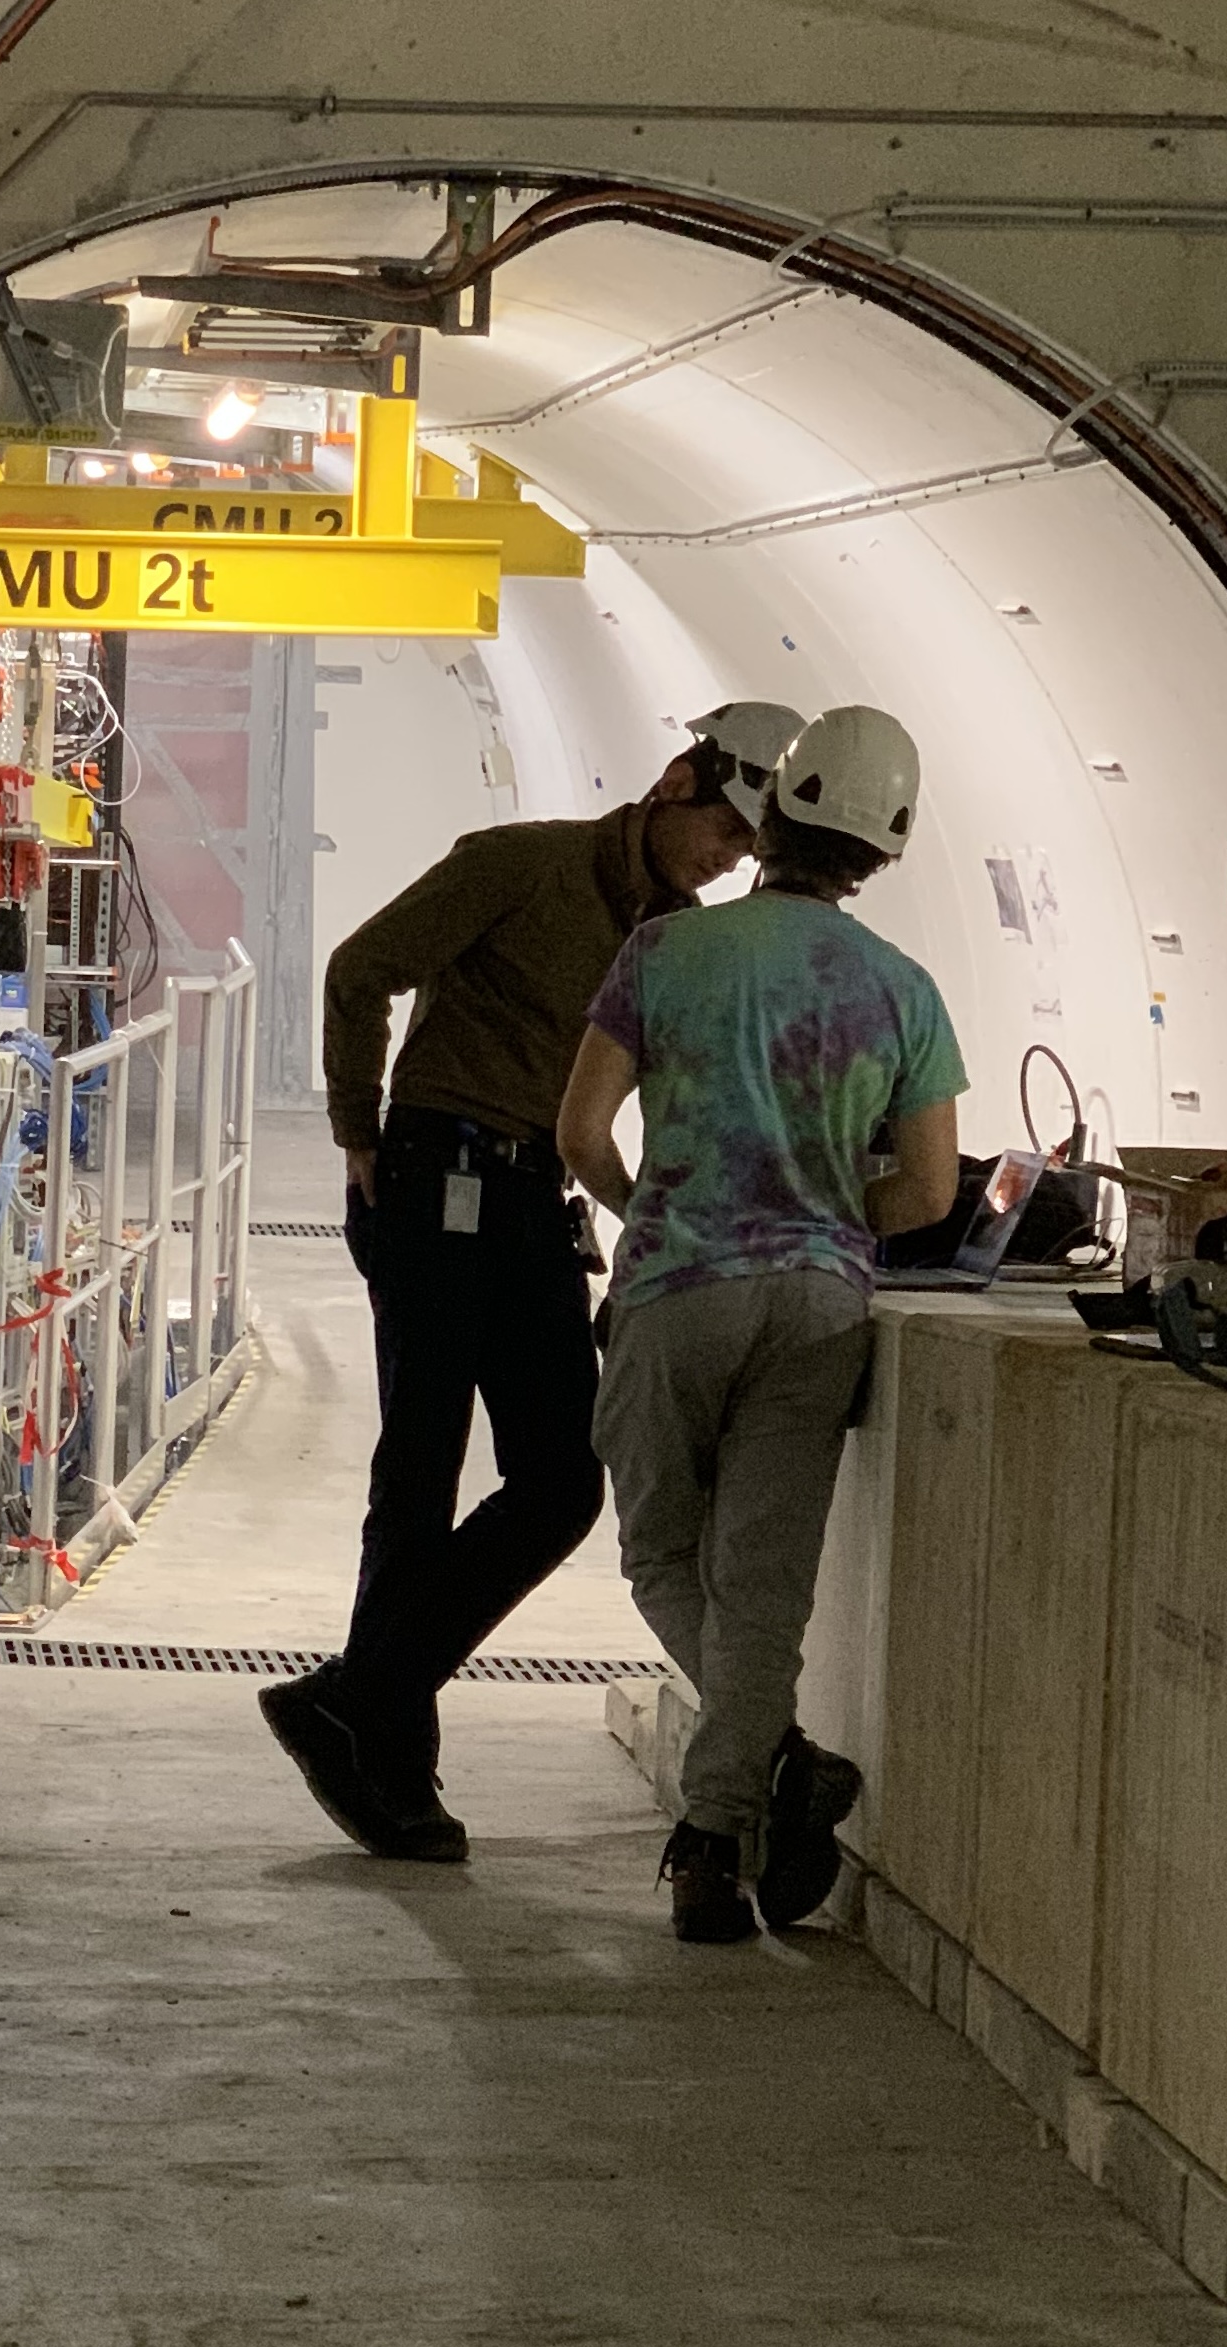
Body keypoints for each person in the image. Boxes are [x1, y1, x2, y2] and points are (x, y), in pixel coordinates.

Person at [260, 701, 807, 1861]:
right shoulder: (522, 864)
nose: (728, 858)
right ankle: (392, 1771)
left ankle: (355, 1695)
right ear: (676, 781)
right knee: (416, 1470)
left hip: (531, 1202)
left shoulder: (679, 944)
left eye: (748, 849)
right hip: (438, 1175)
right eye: (723, 828)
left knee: (563, 1475)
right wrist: (360, 1128)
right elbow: (364, 971)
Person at [554, 705, 963, 1942]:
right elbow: (931, 1193)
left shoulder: (666, 953)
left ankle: (772, 1779)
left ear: (773, 816)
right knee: (765, 1592)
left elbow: (579, 1134)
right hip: (822, 1307)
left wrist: (659, 1208)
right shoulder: (905, 991)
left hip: (678, 1290)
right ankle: (712, 1852)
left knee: (663, 1560)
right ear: (880, 855)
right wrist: (829, 1212)